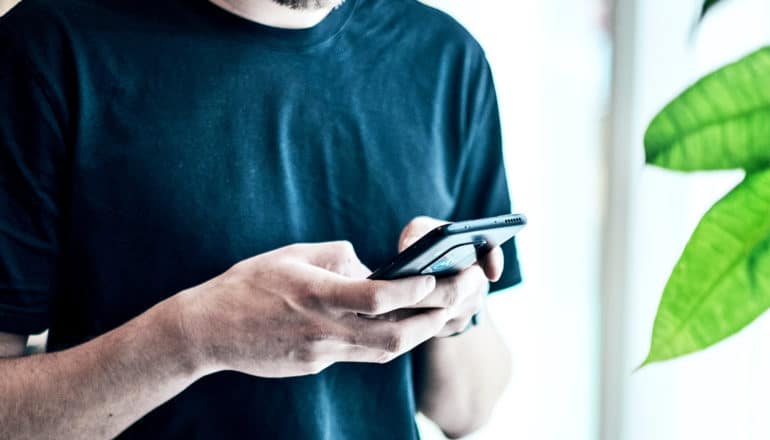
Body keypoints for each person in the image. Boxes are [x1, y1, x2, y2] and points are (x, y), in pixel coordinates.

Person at [0, 0, 521, 438]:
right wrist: (193, 338)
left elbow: (469, 410)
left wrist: (454, 313)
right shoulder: (45, 49)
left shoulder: (446, 59)